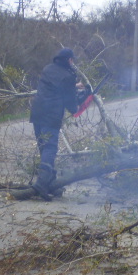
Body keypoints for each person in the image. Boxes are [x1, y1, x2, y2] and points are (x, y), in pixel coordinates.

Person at [29, 48, 89, 200]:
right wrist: (84, 98)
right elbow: (72, 106)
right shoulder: (68, 76)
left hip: (37, 113)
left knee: (43, 146)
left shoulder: (48, 69)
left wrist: (74, 87)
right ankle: (41, 184)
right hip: (51, 116)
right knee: (50, 148)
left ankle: (50, 182)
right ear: (69, 60)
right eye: (72, 60)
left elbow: (55, 87)